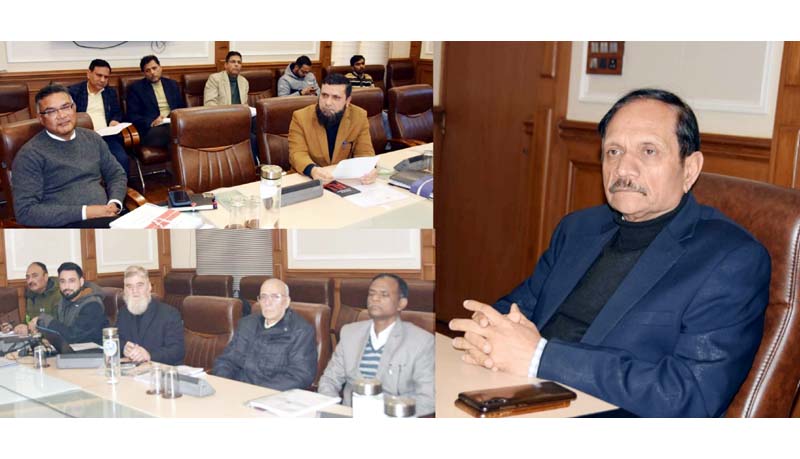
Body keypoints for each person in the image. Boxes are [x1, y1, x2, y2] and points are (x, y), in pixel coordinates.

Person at [449, 88, 771, 418]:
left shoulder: (731, 260)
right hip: (517, 394)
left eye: (648, 151)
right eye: (613, 151)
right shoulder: (578, 228)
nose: (623, 169)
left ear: (689, 169)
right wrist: (488, 330)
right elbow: (521, 306)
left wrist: (541, 357)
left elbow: (689, 395)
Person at [11, 84, 128, 228]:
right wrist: (86, 212)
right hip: (66, 226)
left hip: (107, 215)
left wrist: (115, 202)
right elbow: (25, 212)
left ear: (74, 108)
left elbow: (116, 174)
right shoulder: (29, 155)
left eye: (66, 107)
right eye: (51, 111)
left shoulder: (92, 138)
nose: (62, 115)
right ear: (40, 118)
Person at [318, 274, 434, 416]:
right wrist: (334, 411)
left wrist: (383, 414)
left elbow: (428, 398)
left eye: (384, 295)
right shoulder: (350, 333)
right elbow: (329, 380)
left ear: (401, 303)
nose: (375, 298)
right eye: (371, 294)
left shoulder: (421, 342)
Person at [213, 279, 316, 391]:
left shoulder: (301, 331)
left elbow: (300, 376)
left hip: (273, 394)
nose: (268, 302)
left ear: (287, 302)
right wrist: (225, 385)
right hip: (238, 390)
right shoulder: (247, 324)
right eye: (264, 297)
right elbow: (226, 360)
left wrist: (258, 392)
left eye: (275, 297)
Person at [288, 73, 376, 184]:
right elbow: (297, 153)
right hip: (307, 179)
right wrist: (312, 170)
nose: (328, 103)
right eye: (324, 95)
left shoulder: (359, 116)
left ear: (348, 101)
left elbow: (365, 152)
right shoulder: (301, 117)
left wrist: (368, 169)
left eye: (336, 97)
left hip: (342, 179)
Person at [68, 59, 130, 176]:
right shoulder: (74, 92)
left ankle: (122, 186)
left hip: (106, 137)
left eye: (106, 77)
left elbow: (117, 112)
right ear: (89, 74)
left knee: (122, 159)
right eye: (99, 75)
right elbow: (68, 117)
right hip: (82, 138)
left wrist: (114, 120)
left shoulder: (110, 92)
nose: (102, 80)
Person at [116, 266, 184, 365]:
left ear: (149, 287)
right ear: (125, 290)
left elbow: (177, 351)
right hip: (132, 370)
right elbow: (117, 340)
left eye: (140, 285)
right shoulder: (123, 313)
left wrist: (149, 355)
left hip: (160, 370)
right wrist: (123, 348)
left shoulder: (169, 314)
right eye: (129, 287)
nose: (135, 291)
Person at [29, 262, 108, 345]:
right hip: (71, 351)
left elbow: (73, 337)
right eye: (62, 281)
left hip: (92, 352)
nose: (66, 286)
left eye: (71, 281)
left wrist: (44, 320)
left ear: (81, 282)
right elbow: (61, 332)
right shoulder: (64, 301)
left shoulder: (92, 305)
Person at [126, 55, 185, 150]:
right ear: (144, 73)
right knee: (177, 133)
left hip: (172, 124)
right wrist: (152, 122)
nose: (152, 73)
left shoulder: (172, 84)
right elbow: (132, 116)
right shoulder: (136, 89)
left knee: (180, 134)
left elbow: (181, 108)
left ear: (160, 67)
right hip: (151, 130)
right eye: (147, 70)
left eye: (154, 68)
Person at [1, 262, 61, 335]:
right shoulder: (31, 295)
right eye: (28, 277)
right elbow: (28, 320)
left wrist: (33, 328)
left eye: (35, 276)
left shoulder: (58, 294)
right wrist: (14, 327)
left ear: (45, 277)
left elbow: (59, 325)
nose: (30, 281)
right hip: (35, 338)